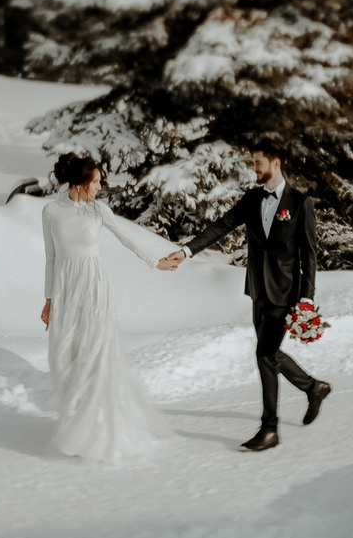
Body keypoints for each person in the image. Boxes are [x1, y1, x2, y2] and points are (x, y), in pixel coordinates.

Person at [156, 147, 330, 452]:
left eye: (258, 164)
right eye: (253, 164)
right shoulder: (252, 199)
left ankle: (270, 428)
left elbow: (309, 255)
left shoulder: (300, 203)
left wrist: (306, 299)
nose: (254, 168)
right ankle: (314, 387)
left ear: (276, 164)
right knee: (270, 353)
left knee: (264, 355)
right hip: (257, 290)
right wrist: (186, 252)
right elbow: (221, 226)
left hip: (286, 293)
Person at [39, 151, 174, 461]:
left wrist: (155, 262)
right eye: (96, 182)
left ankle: (98, 424)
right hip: (65, 287)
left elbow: (127, 237)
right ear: (81, 182)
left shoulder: (99, 210)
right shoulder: (50, 212)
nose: (100, 187)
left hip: (94, 285)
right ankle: (76, 419)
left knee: (95, 352)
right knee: (65, 354)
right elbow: (50, 258)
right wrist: (48, 299)